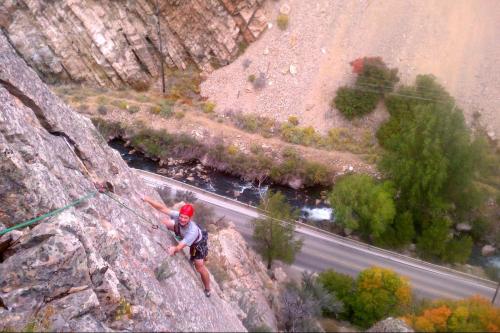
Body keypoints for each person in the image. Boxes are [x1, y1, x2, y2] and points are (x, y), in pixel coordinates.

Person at [142, 196, 211, 297]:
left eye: (185, 218)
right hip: (183, 233)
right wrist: (147, 199)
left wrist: (174, 249)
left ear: (190, 218)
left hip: (198, 244)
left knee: (199, 266)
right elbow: (162, 208)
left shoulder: (192, 231)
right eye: (181, 217)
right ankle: (193, 255)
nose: (182, 219)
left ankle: (208, 288)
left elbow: (180, 247)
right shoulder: (178, 216)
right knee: (166, 222)